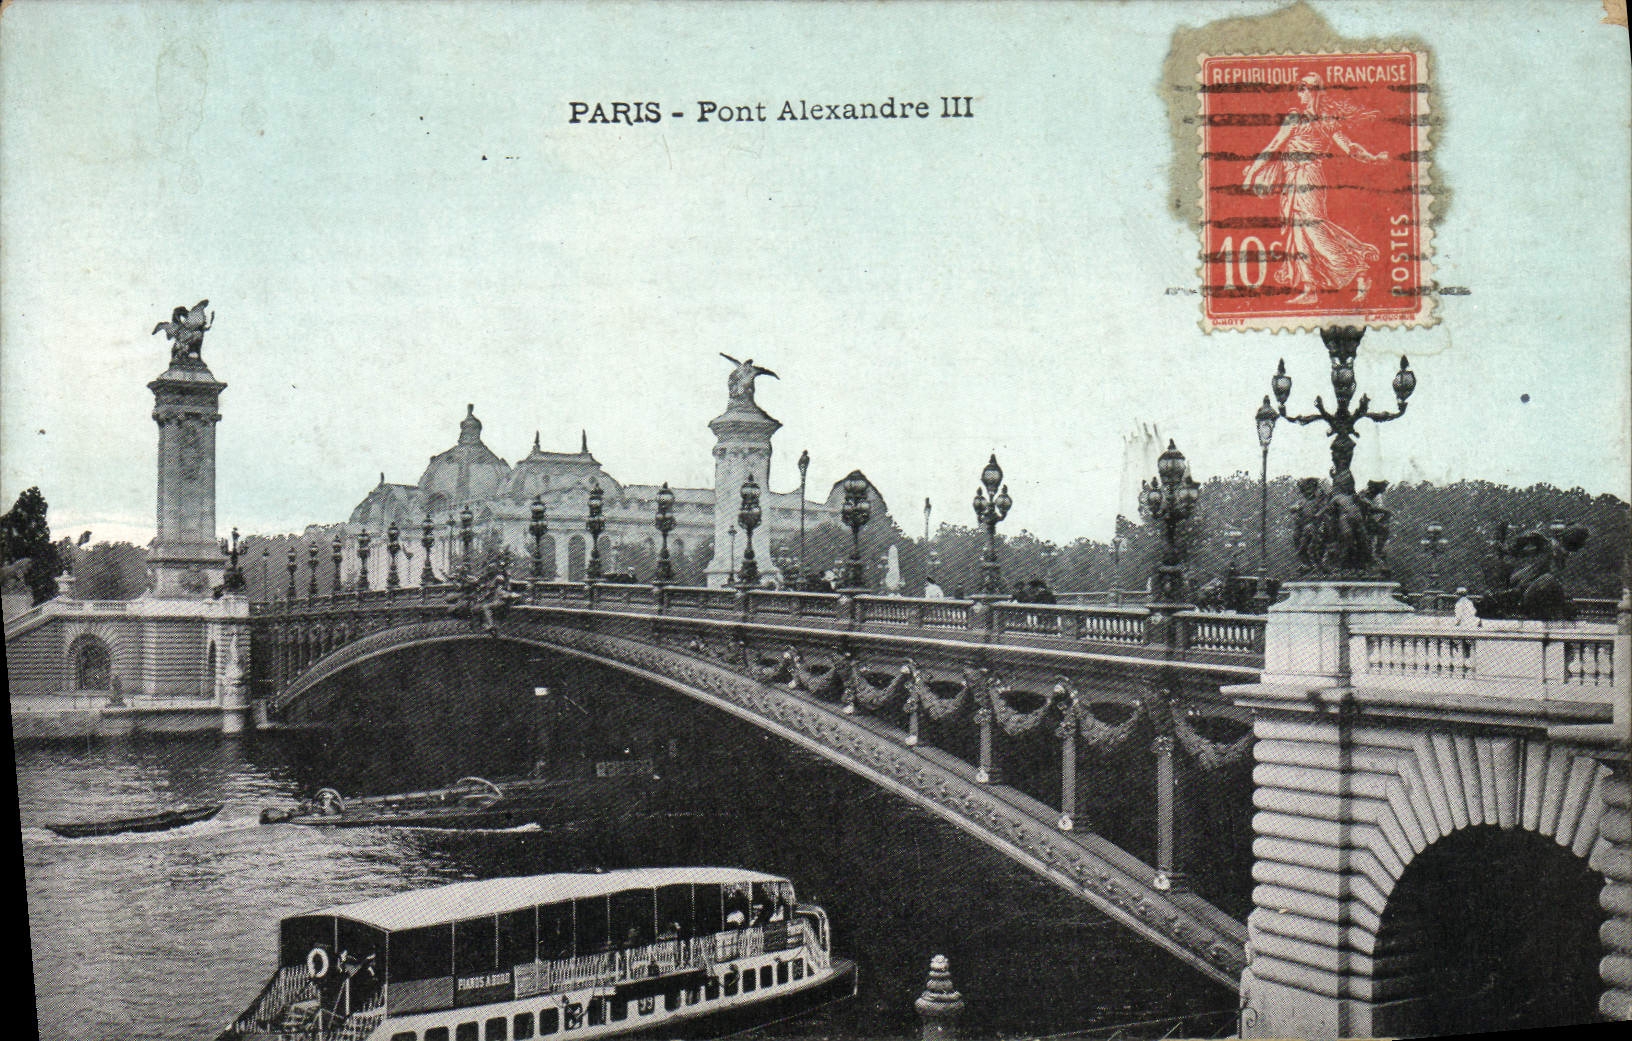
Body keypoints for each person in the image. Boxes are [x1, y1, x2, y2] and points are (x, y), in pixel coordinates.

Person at [1242, 73, 1389, 305]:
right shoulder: (1298, 118)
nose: (1301, 92)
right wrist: (1252, 171)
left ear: (1316, 91)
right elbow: (1274, 146)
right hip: (1293, 178)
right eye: (1299, 87)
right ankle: (1310, 289)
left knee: (1314, 230)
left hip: (1309, 176)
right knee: (1298, 231)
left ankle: (1358, 267)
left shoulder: (1324, 121)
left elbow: (1349, 147)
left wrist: (1372, 158)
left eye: (1306, 87)